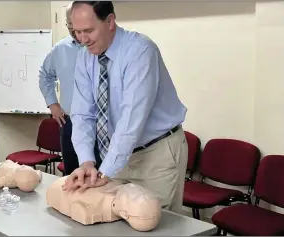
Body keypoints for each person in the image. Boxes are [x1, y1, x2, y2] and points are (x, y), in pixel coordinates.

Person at [62, 1, 188, 213]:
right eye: (77, 32)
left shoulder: (140, 51)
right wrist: (86, 162)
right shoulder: (85, 57)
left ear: (110, 21)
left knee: (153, 223)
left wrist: (105, 172)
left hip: (155, 154)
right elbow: (83, 114)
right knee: (116, 221)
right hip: (117, 154)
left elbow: (131, 120)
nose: (82, 39)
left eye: (88, 31)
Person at [39, 3, 99, 175]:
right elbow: (45, 75)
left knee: (100, 176)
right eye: (72, 28)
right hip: (70, 121)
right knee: (72, 174)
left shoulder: (100, 47)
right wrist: (52, 104)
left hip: (100, 122)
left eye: (81, 29)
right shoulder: (60, 49)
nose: (77, 34)